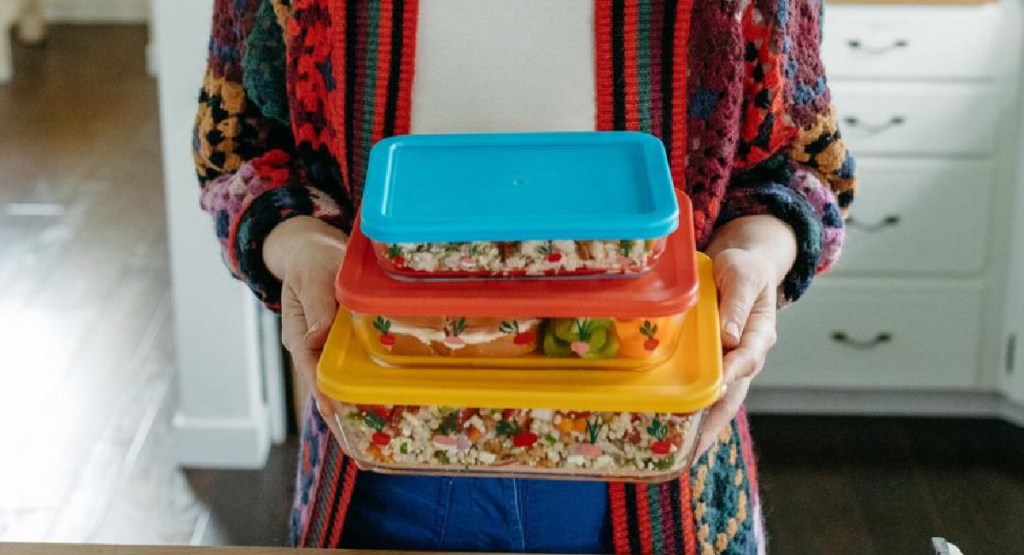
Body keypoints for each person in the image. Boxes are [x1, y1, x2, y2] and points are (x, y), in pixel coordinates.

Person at [194, 0, 856, 552]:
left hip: (663, 479)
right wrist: (301, 242)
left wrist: (757, 252)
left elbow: (799, 172)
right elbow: (241, 153)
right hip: (378, 466)